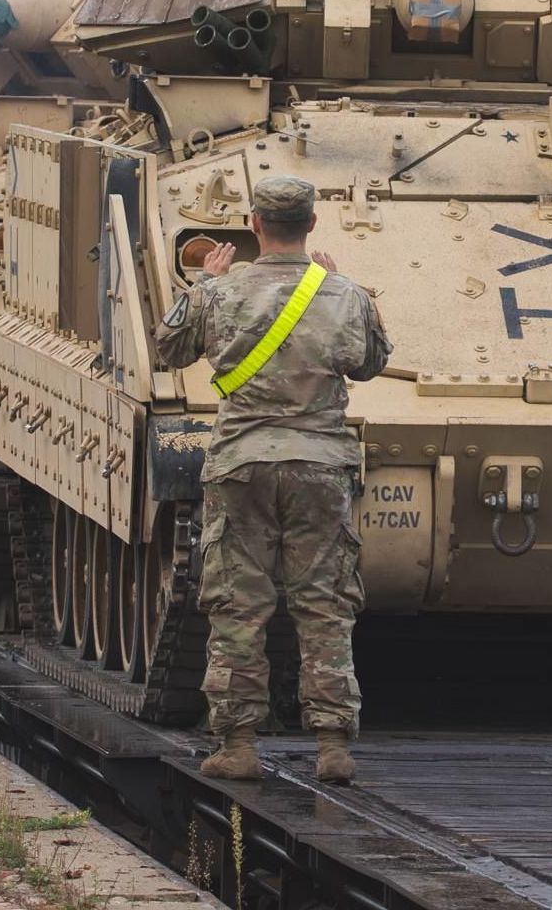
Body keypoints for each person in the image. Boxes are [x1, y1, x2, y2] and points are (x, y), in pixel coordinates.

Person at [154, 176, 391, 785]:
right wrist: (347, 290)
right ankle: (334, 745)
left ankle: (237, 744)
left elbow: (169, 350)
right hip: (320, 466)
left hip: (241, 466)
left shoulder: (221, 292)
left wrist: (203, 281)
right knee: (325, 605)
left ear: (254, 226)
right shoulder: (343, 294)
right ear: (312, 225)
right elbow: (371, 362)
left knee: (238, 605)